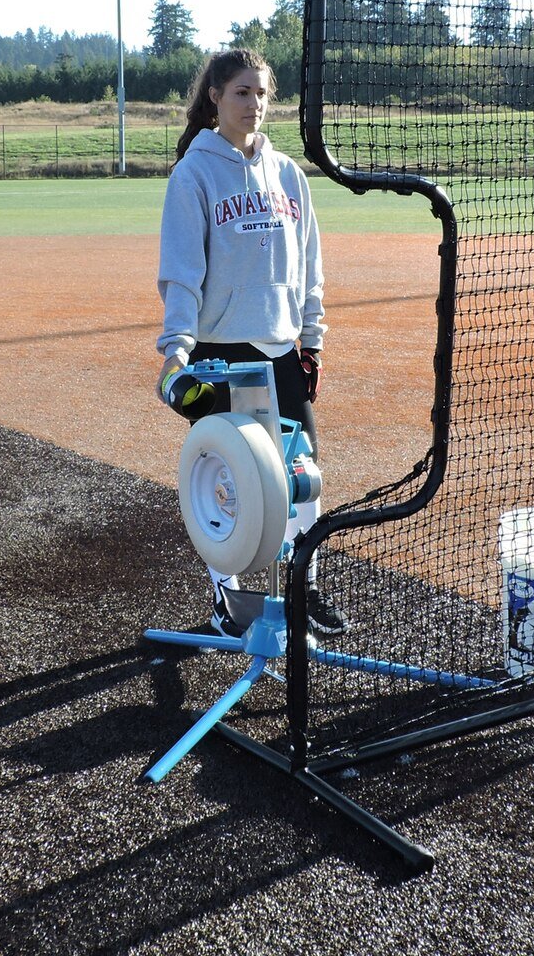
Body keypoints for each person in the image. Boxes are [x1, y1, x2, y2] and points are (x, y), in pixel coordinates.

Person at [155, 47, 348, 640]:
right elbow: (182, 272)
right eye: (242, 93)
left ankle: (302, 588)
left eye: (262, 94)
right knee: (228, 482)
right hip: (221, 355)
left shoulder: (288, 173)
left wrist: (310, 342)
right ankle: (226, 600)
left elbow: (309, 266)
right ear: (215, 96)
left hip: (280, 351)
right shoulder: (194, 174)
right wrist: (176, 353)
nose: (254, 105)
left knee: (301, 474)